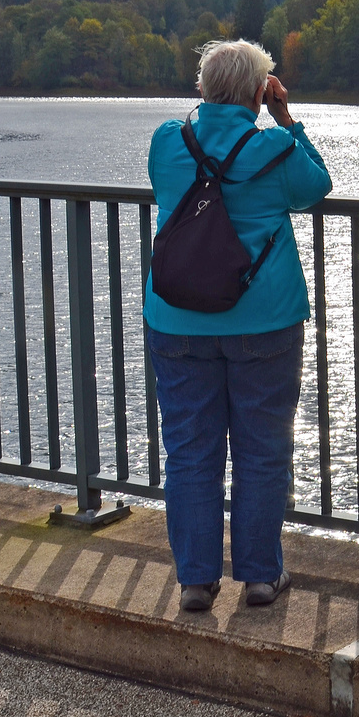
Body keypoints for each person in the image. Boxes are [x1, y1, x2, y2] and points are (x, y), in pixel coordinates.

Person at [144, 39, 333, 613]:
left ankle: (196, 581)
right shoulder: (274, 150)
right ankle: (259, 576)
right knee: (262, 448)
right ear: (260, 90)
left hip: (178, 321)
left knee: (190, 450)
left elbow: (170, 184)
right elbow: (317, 185)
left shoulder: (167, 143)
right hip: (264, 322)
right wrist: (283, 116)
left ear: (201, 89)